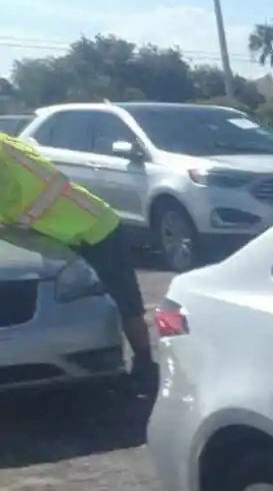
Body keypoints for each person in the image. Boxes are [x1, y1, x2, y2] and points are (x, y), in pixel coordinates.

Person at [0, 130, 157, 395]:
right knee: (117, 300)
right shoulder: (6, 144)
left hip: (94, 230)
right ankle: (140, 368)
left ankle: (145, 368)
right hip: (73, 229)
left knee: (125, 302)